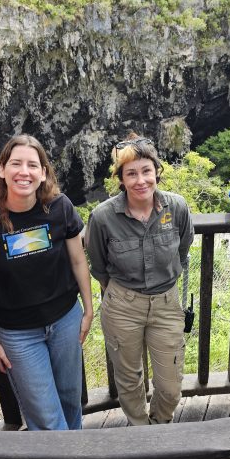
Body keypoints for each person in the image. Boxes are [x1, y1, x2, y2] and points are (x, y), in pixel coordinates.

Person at [0, 135, 93, 459]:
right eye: (16, 163)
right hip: (18, 333)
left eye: (33, 164)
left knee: (69, 398)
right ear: (2, 170)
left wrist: (89, 308)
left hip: (64, 318)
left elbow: (78, 260)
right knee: (44, 412)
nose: (24, 171)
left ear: (43, 172)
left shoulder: (60, 207)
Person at [85, 135, 194, 438]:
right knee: (130, 379)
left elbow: (183, 249)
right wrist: (120, 297)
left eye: (146, 170)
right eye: (131, 173)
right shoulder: (103, 217)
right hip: (122, 305)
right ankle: (142, 437)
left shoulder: (177, 207)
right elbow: (98, 265)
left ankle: (158, 431)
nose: (140, 180)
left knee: (170, 386)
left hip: (166, 304)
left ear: (157, 170)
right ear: (120, 178)